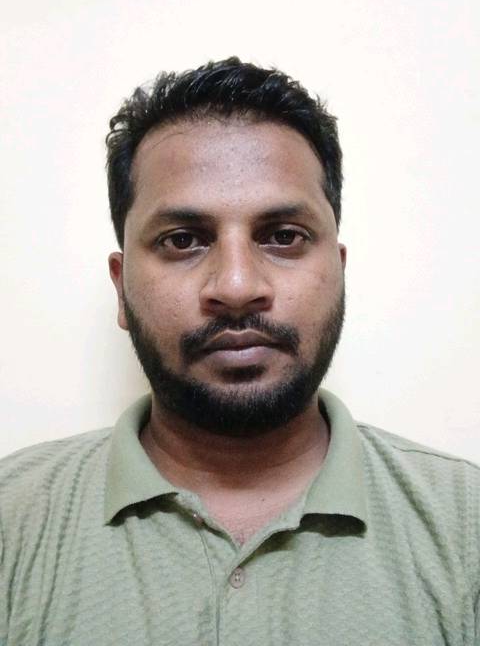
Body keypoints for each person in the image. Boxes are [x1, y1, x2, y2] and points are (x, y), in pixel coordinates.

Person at [1, 58, 479, 646]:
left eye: (283, 237)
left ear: (339, 271)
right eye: (182, 240)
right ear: (121, 289)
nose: (235, 286)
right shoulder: (12, 519)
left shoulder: (467, 528)